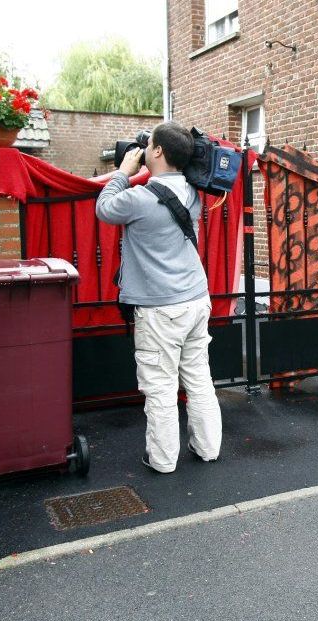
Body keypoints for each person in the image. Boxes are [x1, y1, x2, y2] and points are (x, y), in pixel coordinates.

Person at [96, 121, 222, 473]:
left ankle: (163, 460)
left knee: (161, 387)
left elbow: (104, 208)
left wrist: (123, 172)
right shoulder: (193, 193)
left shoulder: (138, 199)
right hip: (196, 299)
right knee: (198, 377)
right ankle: (208, 448)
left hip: (160, 310)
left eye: (148, 144)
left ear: (158, 152)